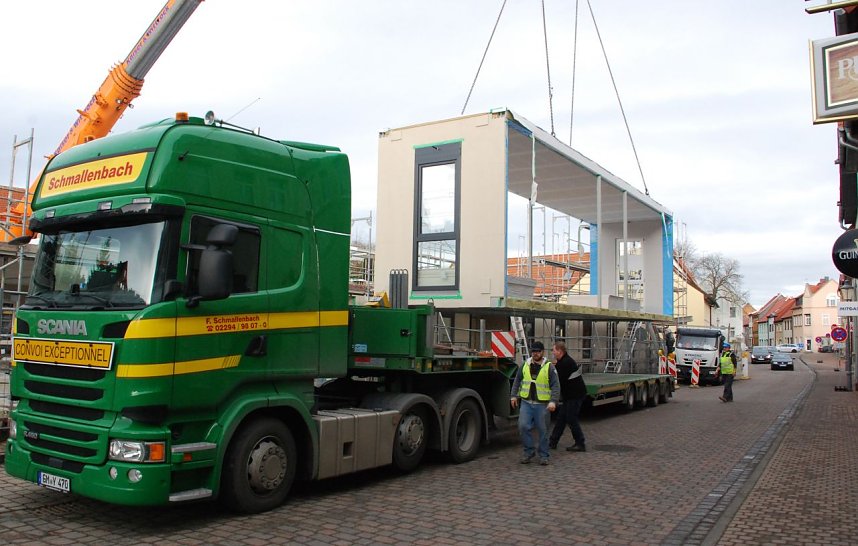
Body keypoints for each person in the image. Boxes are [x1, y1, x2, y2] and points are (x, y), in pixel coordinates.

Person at [510, 340, 560, 465]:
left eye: (538, 351)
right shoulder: (525, 365)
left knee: (543, 430)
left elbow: (555, 386)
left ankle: (544, 455)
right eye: (533, 351)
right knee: (523, 426)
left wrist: (553, 401)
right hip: (526, 403)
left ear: (542, 352)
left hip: (542, 405)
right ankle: (529, 451)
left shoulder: (549, 367)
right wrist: (513, 396)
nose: (535, 353)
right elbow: (517, 380)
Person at [549, 341, 587, 452]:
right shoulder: (564, 361)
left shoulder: (565, 363)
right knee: (561, 418)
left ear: (560, 351)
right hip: (570, 396)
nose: (553, 352)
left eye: (554, 350)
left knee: (571, 418)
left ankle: (580, 443)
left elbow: (556, 381)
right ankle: (553, 442)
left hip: (575, 396)